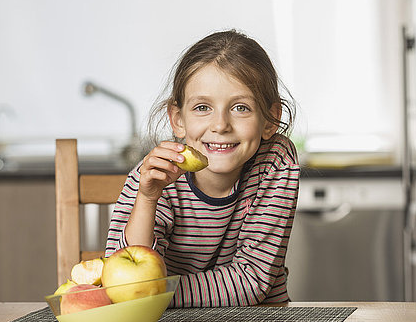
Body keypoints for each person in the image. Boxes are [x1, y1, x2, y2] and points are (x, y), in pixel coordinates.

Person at [105, 29, 300, 307]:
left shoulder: (275, 164)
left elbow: (252, 280)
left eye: (241, 108)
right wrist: (148, 199)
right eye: (202, 108)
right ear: (177, 119)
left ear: (270, 119)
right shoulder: (154, 177)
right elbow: (122, 280)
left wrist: (152, 293)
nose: (220, 125)